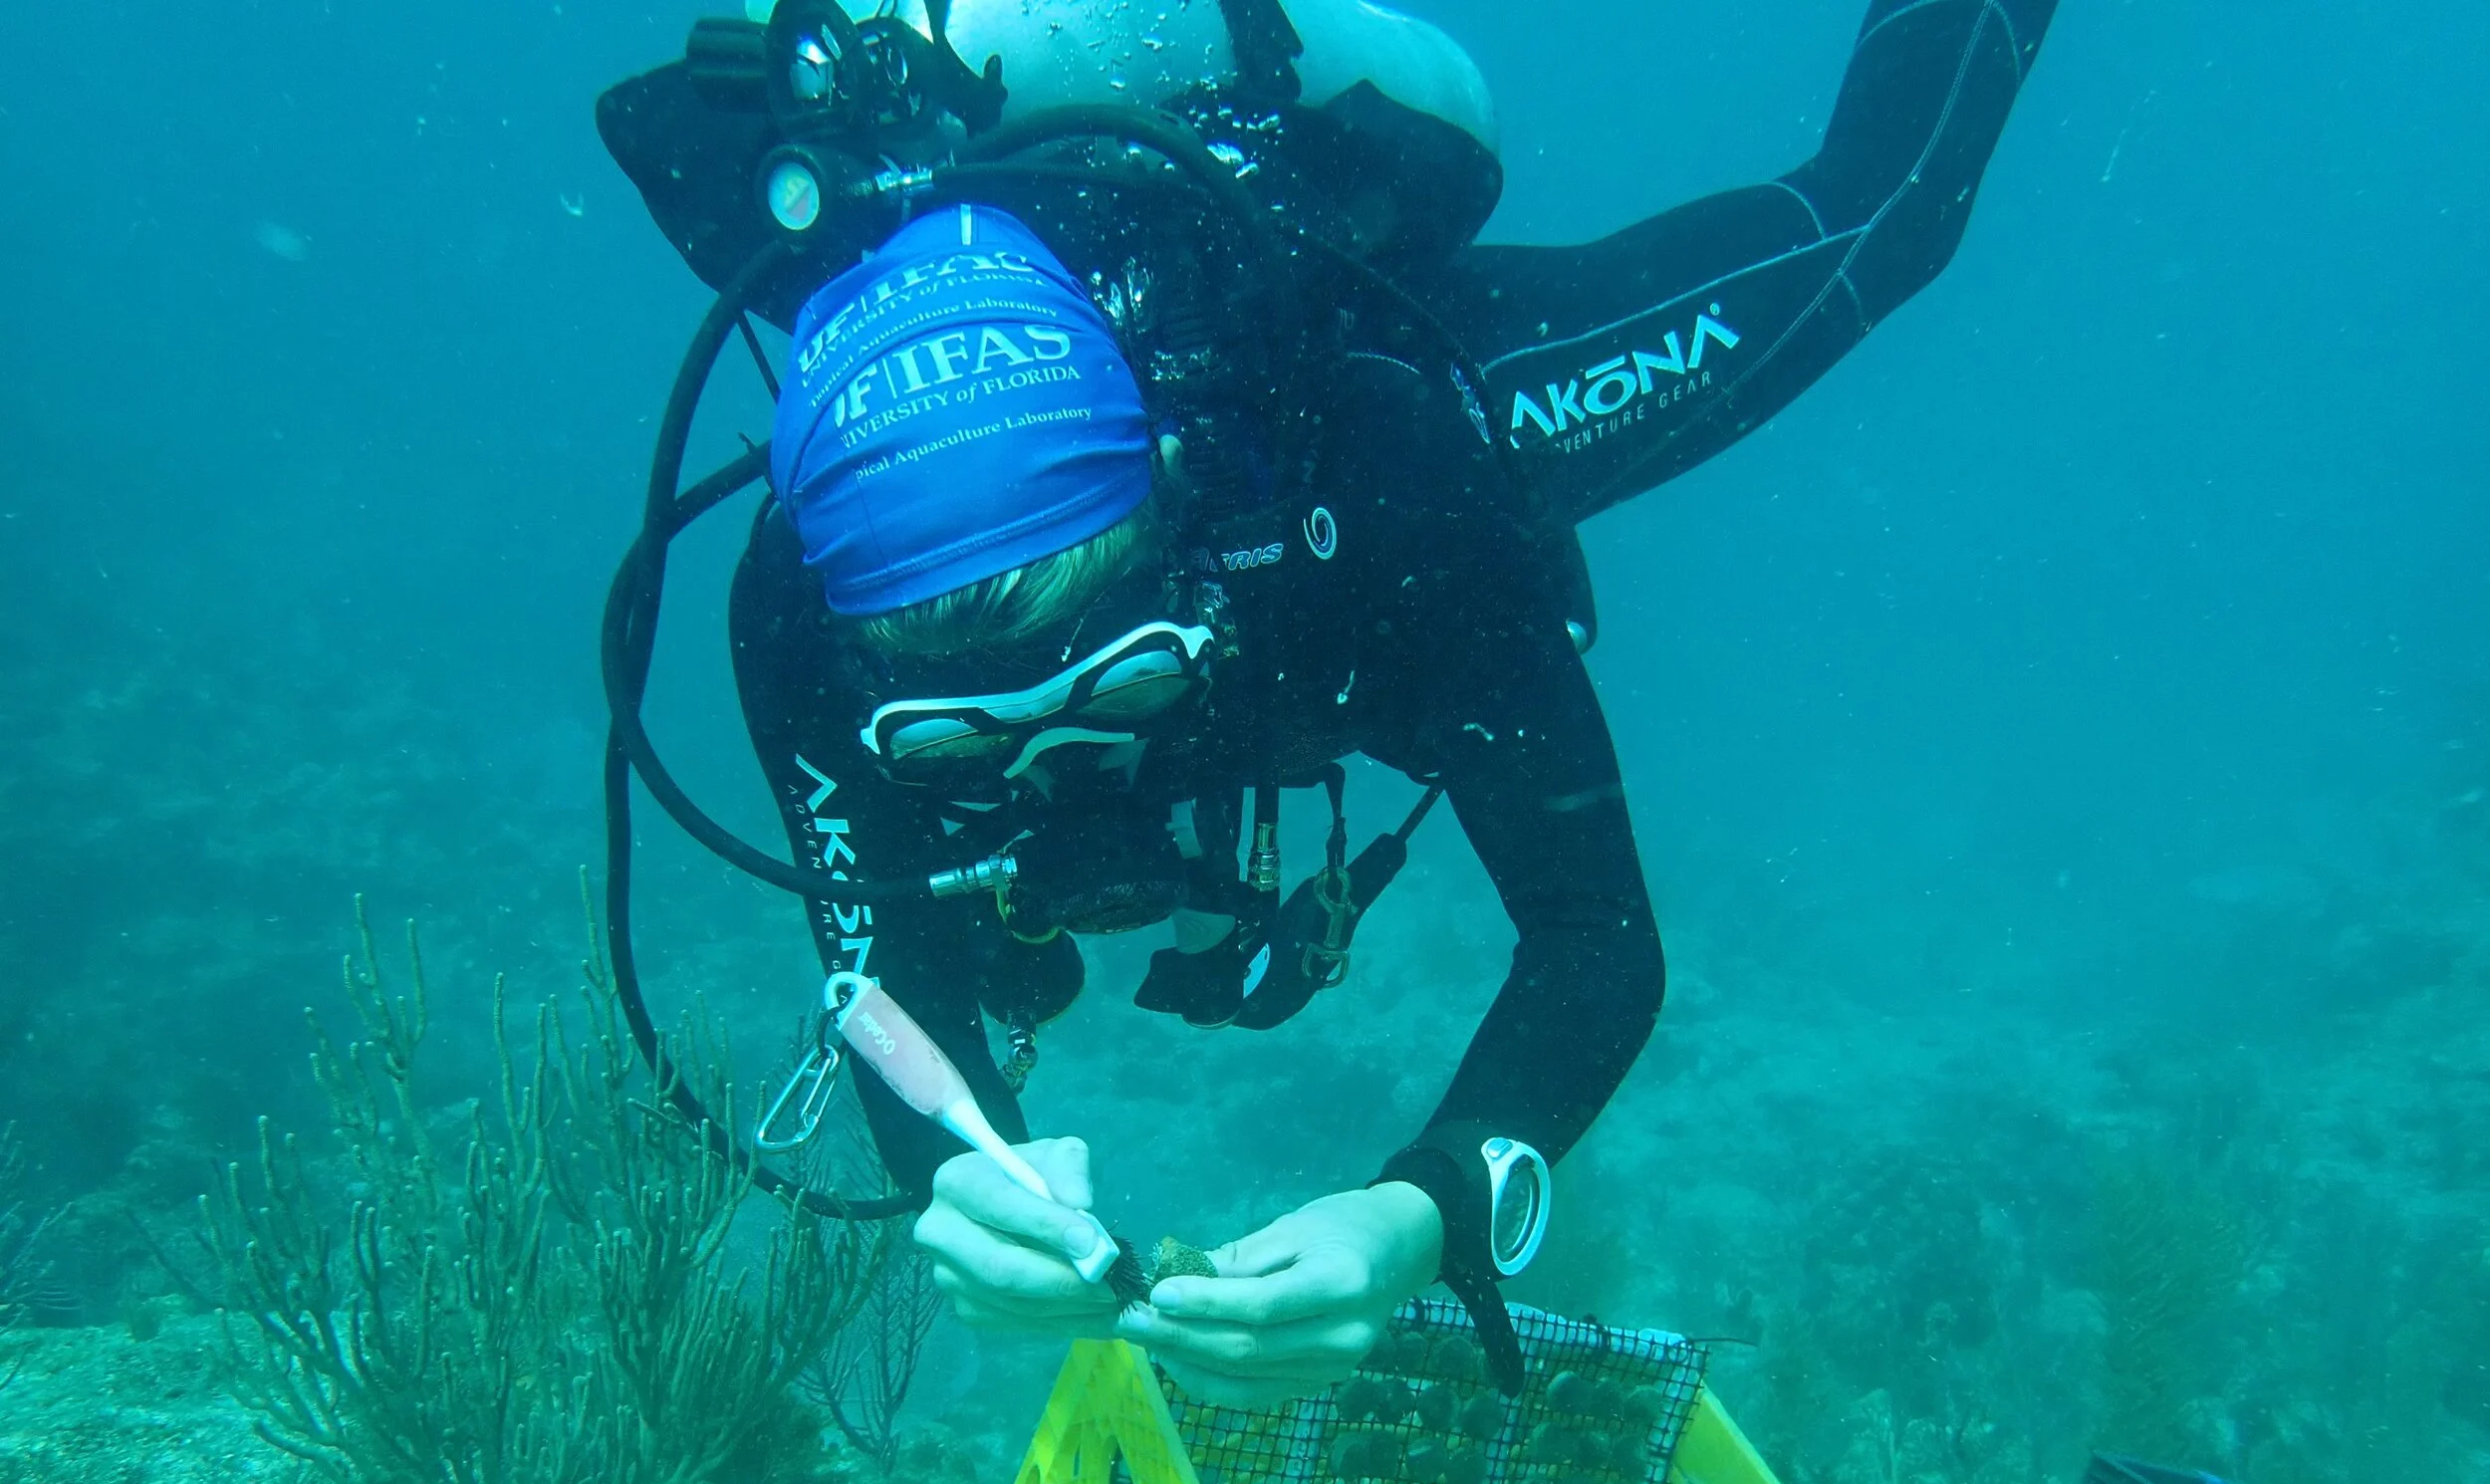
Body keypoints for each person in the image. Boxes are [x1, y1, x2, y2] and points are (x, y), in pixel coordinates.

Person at [606, 0, 2057, 1407]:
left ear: (1179, 529)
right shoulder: (801, 620)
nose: (1062, 758)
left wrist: (1420, 1216)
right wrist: (964, 1176)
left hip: (1357, 451)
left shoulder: (1386, 479)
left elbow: (1595, 935)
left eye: (1118, 679)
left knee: (1889, 217)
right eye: (965, 735)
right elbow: (882, 982)